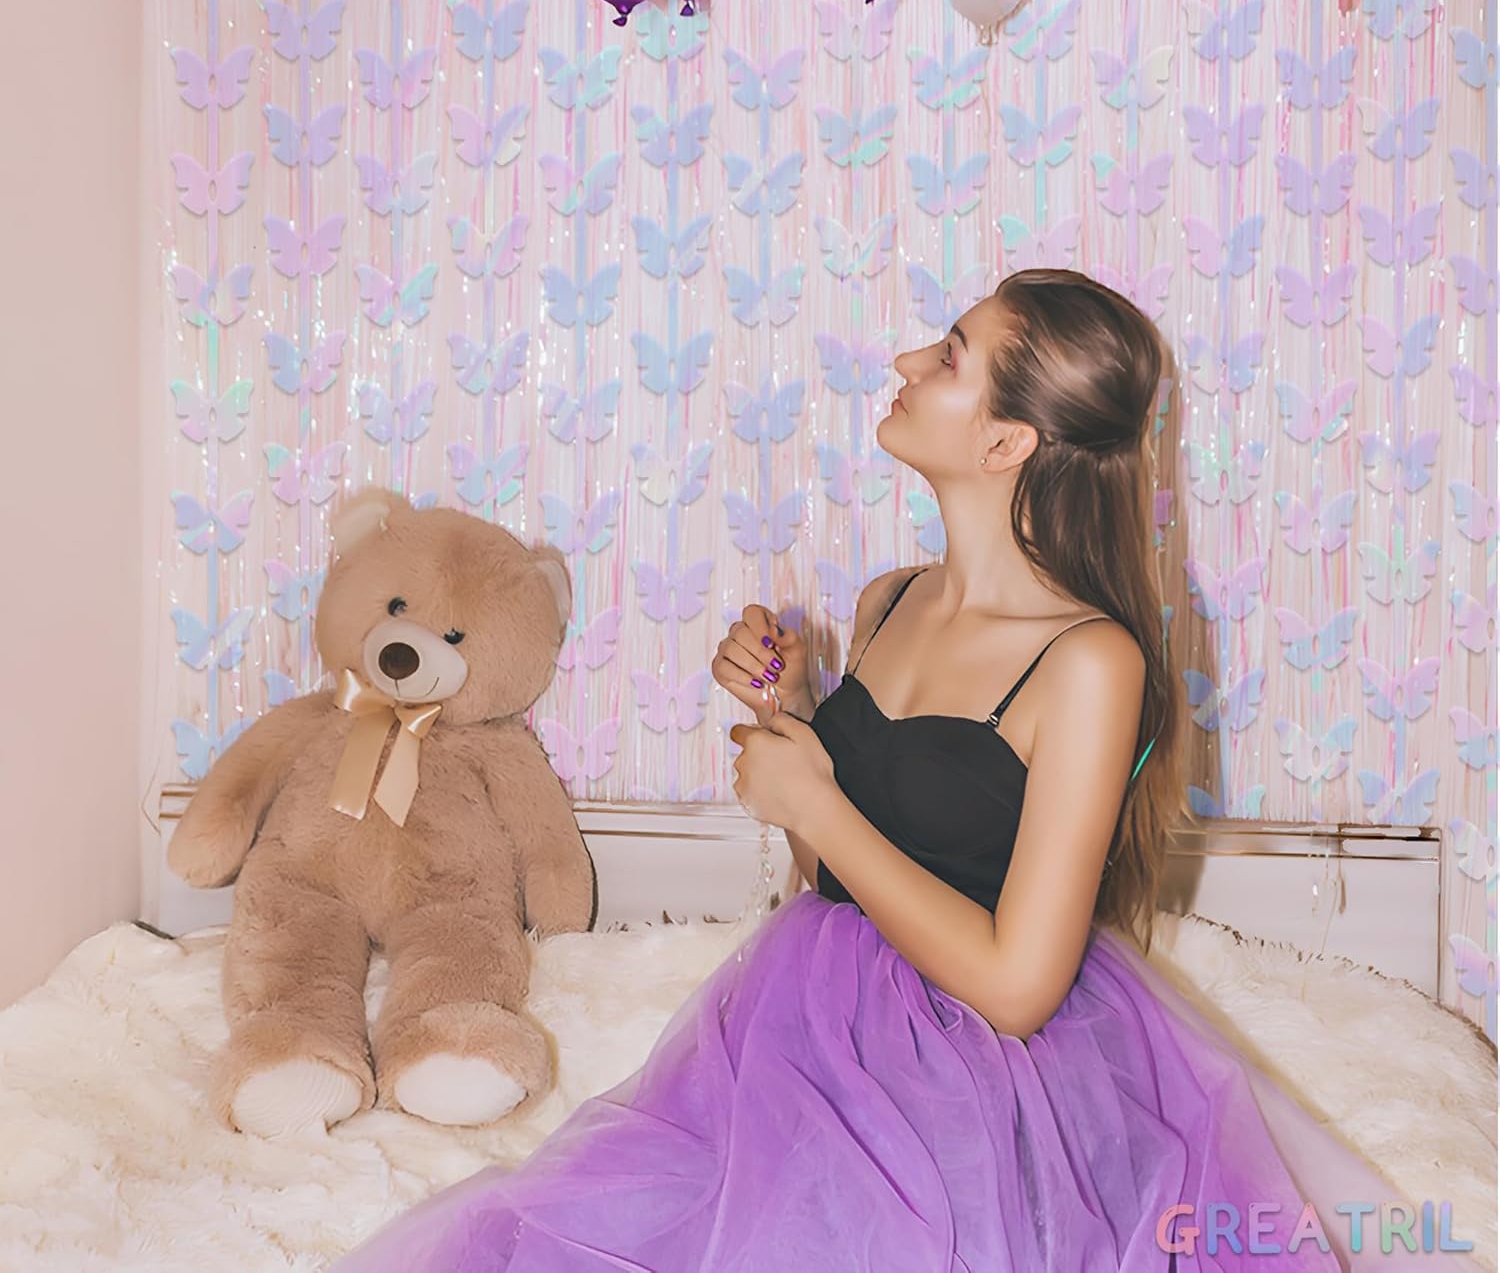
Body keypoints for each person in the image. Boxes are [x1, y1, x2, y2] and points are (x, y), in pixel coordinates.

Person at [332, 269, 1474, 1271]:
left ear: (1007, 443)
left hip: (984, 1075)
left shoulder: (1091, 662)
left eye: (950, 356)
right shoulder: (891, 600)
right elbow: (829, 876)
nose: (907, 363)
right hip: (806, 1021)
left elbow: (1019, 988)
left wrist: (817, 797)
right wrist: (791, 720)